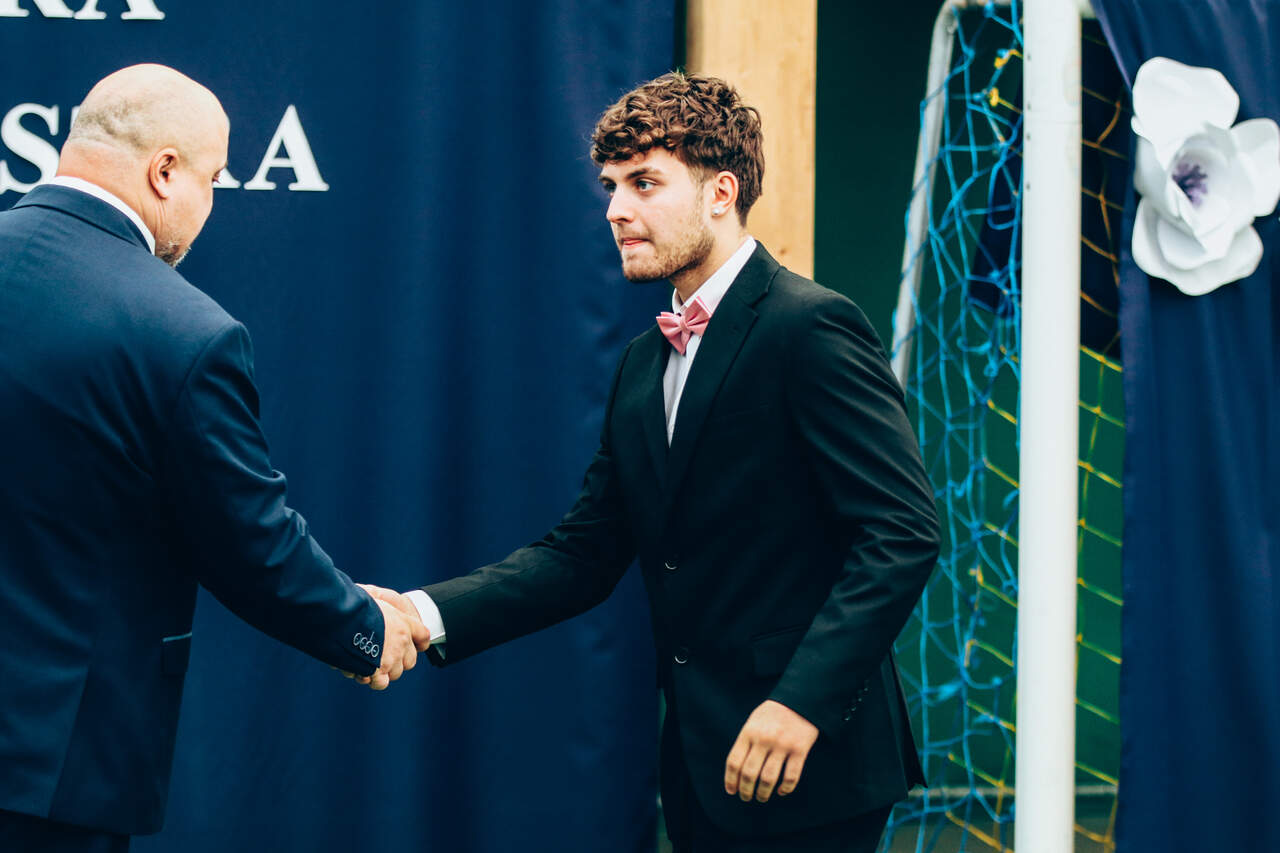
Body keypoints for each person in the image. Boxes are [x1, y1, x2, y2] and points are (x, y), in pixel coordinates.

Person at [371, 72, 940, 852]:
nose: (615, 208)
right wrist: (419, 614)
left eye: (644, 182)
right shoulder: (644, 360)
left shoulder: (810, 326)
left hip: (809, 761)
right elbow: (582, 554)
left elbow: (902, 531)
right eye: (611, 186)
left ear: (721, 192)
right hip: (701, 766)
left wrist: (799, 702)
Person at [0, 64, 428, 853]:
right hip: (49, 771)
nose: (210, 204)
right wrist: (365, 626)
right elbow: (250, 542)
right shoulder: (181, 332)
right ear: (165, 171)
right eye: (213, 179)